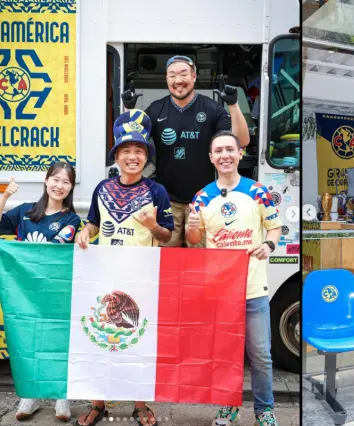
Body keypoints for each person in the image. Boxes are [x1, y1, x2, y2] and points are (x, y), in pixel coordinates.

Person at [75, 110, 174, 426]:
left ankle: (141, 404)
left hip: (141, 281)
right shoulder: (102, 188)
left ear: (147, 156)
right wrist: (84, 233)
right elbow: (93, 223)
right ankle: (98, 403)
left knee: (138, 343)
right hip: (104, 278)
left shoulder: (156, 192)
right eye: (126, 150)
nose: (133, 156)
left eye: (139, 150)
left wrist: (153, 225)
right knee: (100, 340)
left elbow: (168, 235)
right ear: (116, 155)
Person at [185, 130, 282, 426]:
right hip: (220, 291)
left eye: (230, 149)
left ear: (240, 154)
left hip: (253, 289)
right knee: (225, 355)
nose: (225, 155)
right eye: (218, 151)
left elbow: (274, 227)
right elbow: (193, 241)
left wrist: (268, 245)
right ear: (211, 158)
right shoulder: (202, 197)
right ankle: (228, 407)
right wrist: (191, 225)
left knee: (261, 355)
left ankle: (265, 410)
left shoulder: (257, 191)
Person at [121, 55, 250, 248]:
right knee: (166, 261)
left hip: (203, 202)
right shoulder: (156, 109)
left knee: (199, 260)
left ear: (194, 76)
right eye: (172, 75)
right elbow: (129, 141)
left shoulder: (211, 108)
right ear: (167, 79)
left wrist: (233, 104)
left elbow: (242, 141)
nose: (178, 80)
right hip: (166, 201)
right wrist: (128, 109)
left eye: (183, 74)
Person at [0, 161, 81, 422]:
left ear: (70, 188)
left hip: (58, 293)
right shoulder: (23, 212)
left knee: (59, 342)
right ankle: (29, 395)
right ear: (46, 181)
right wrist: (5, 196)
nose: (60, 186)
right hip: (25, 294)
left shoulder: (71, 219)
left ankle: (62, 398)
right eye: (56, 179)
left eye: (66, 182)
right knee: (27, 341)